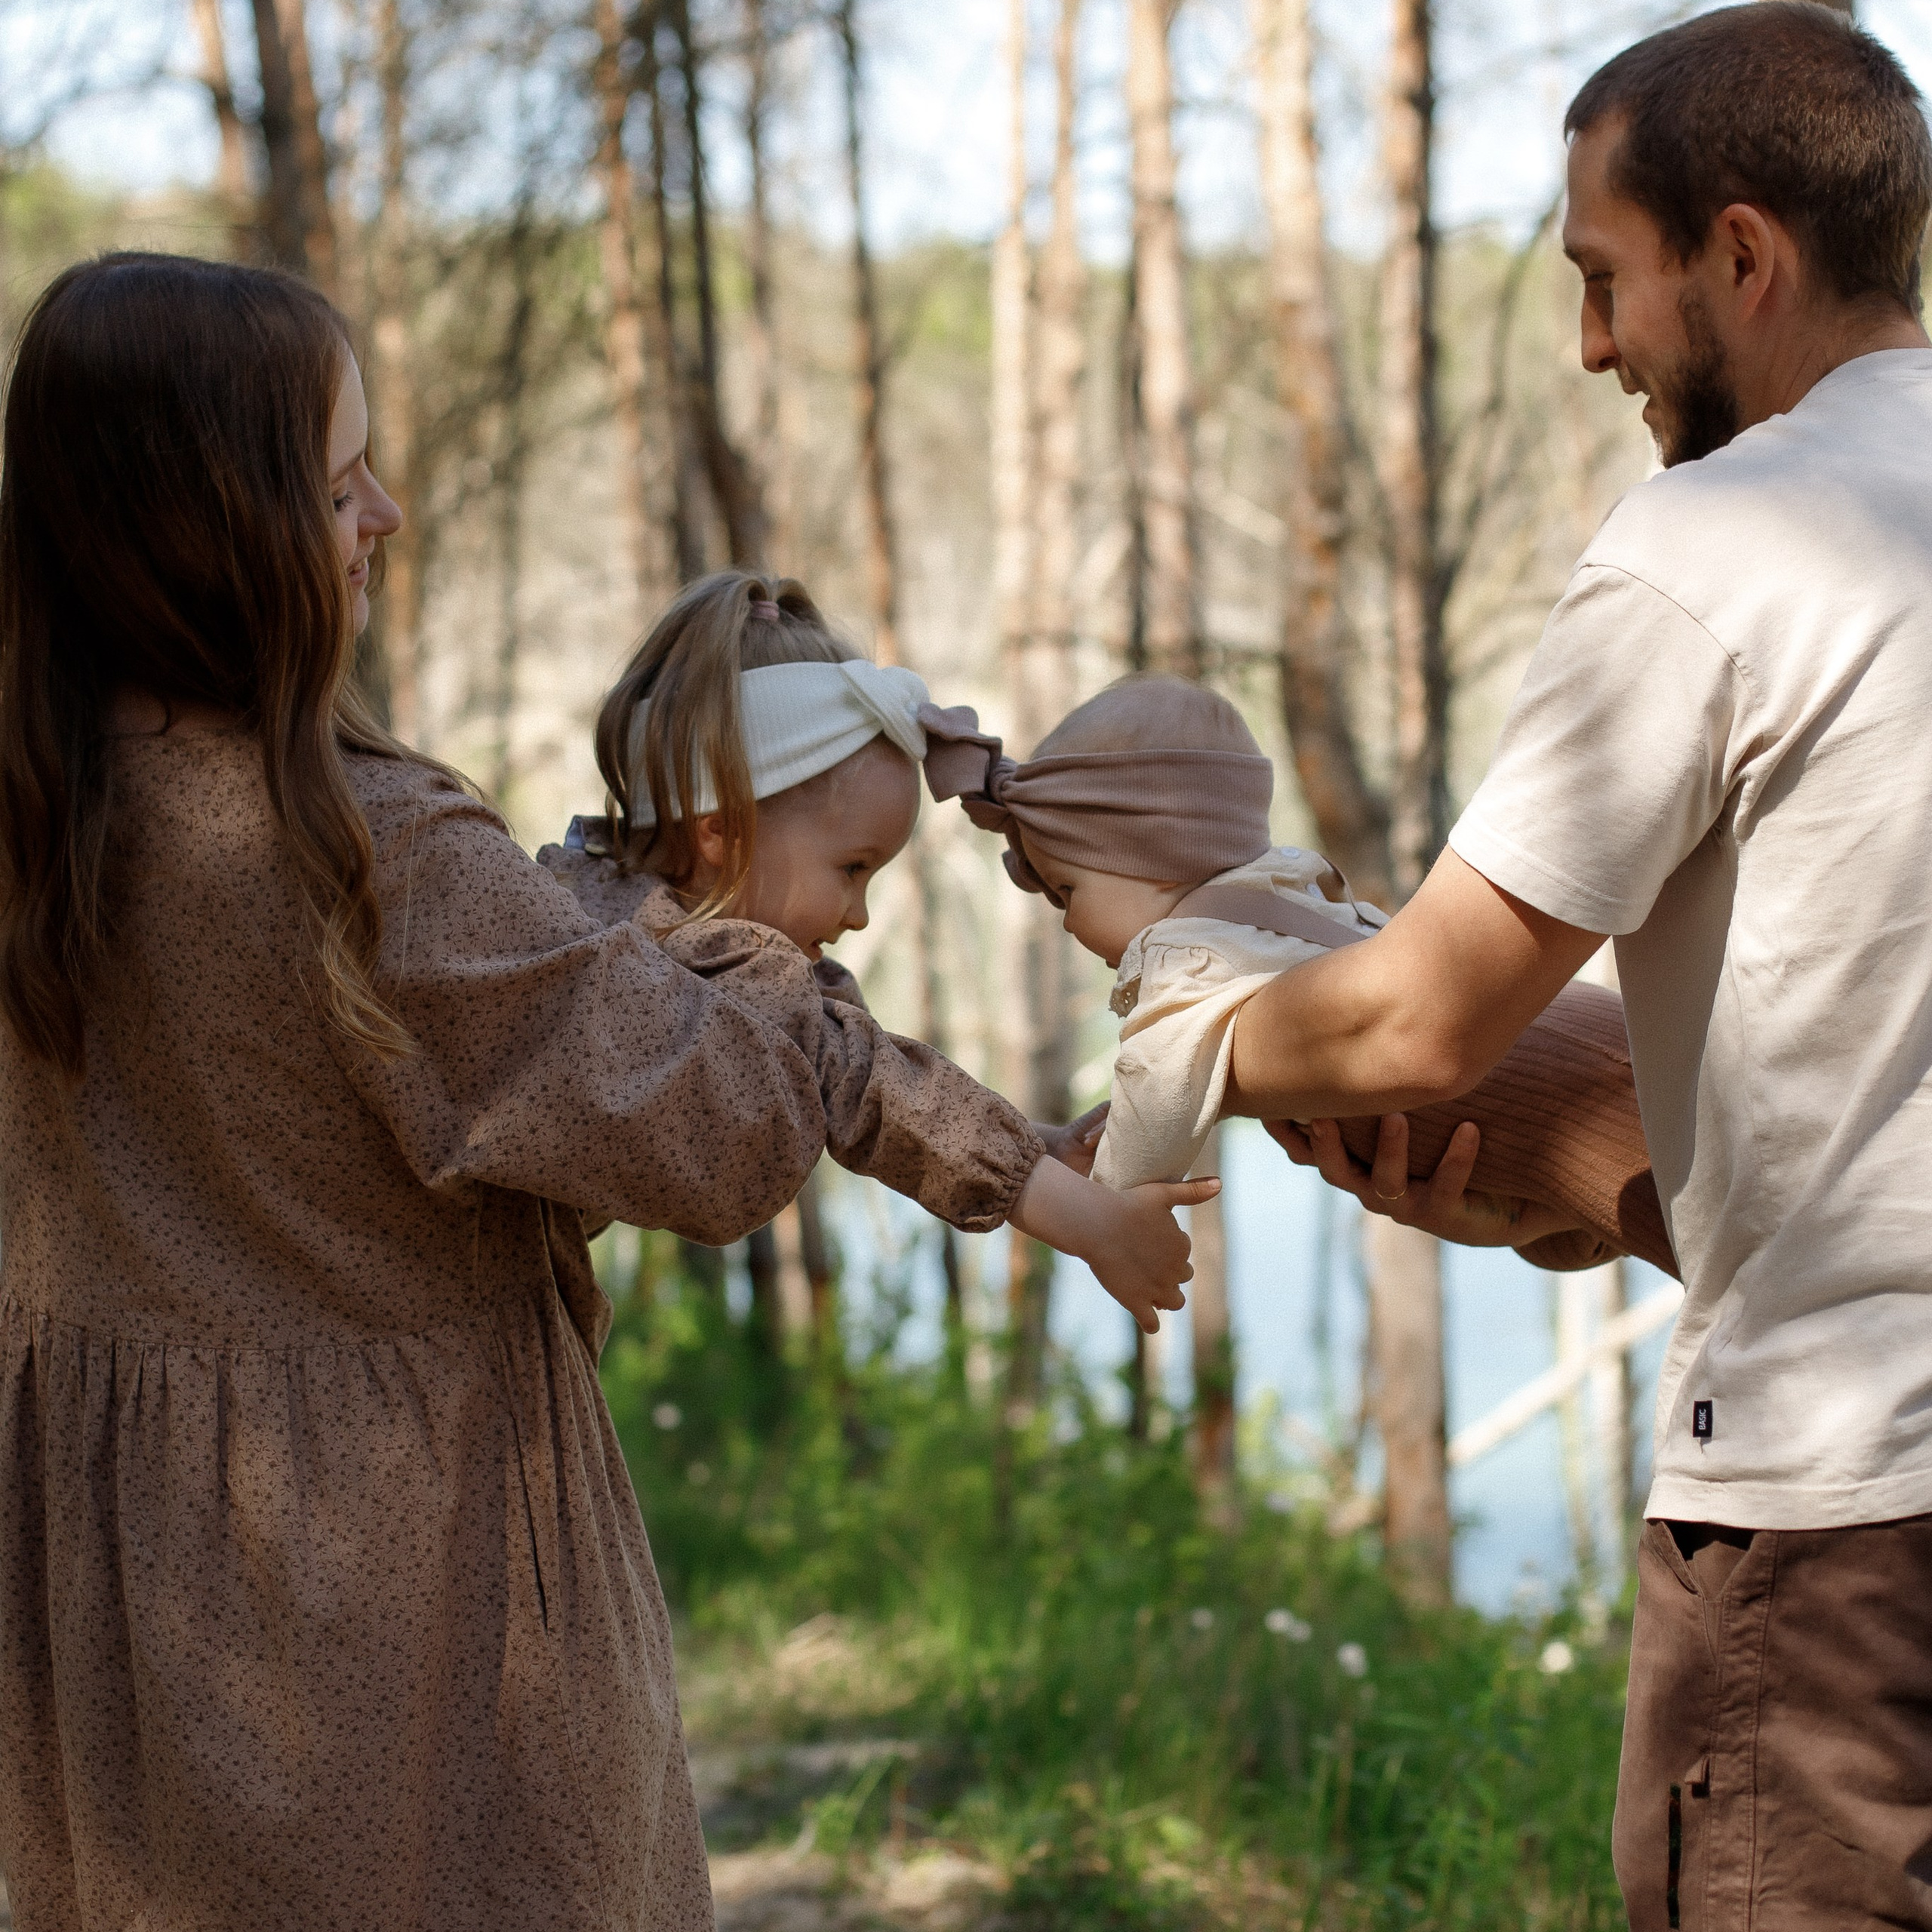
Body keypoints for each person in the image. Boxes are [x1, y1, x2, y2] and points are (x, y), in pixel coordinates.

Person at [0, 251, 849, 1929]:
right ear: (207, 522)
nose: (382, 512)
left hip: (119, 1588)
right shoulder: (370, 854)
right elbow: (718, 1130)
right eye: (334, 480)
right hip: (409, 1596)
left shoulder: (39, 816)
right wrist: (750, 950)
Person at [1220, 6, 1932, 1925]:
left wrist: (1175, 1024)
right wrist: (1567, 1188)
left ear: (1739, 253)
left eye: (1601, 278)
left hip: (1838, 1526)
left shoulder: (1716, 545)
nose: (1591, 343)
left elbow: (1417, 1011)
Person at [540, 571, 1214, 1334]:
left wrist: (1034, 1149)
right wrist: (1088, 1221)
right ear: (721, 828)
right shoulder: (730, 960)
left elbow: (885, 1077)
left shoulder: (580, 889)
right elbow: (870, 1084)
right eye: (851, 868)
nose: (857, 915)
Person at [921, 673, 1673, 1273]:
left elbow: (1157, 1083)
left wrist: (1106, 1206)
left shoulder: (1178, 951)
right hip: (1586, 1042)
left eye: (1067, 893)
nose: (1068, 923)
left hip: (1556, 1111)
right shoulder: (1294, 888)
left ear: (1144, 858)